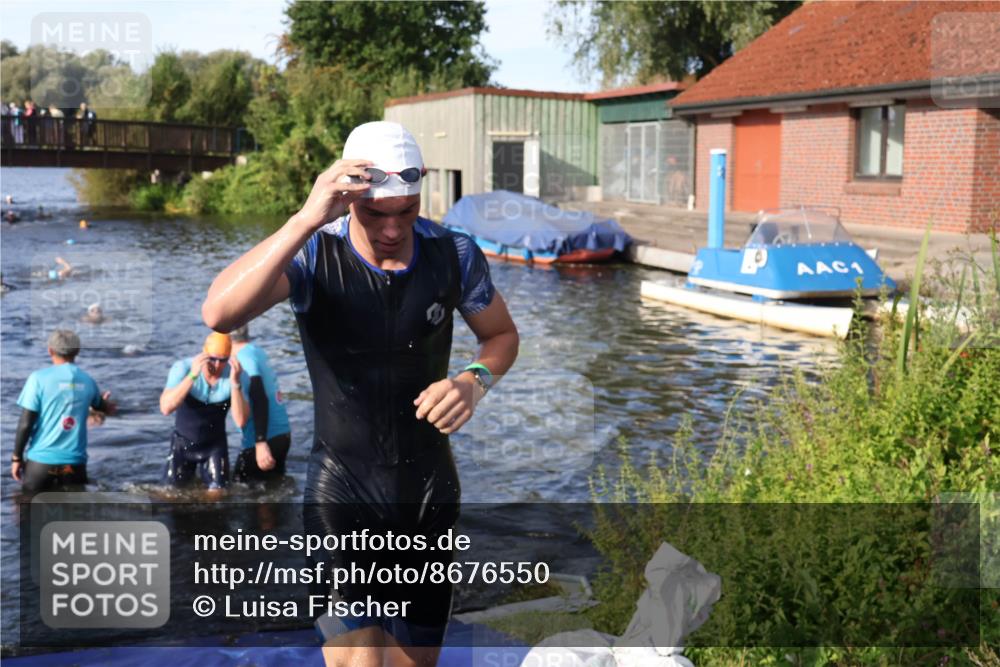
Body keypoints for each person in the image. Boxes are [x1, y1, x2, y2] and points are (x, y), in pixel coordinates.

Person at [202, 121, 519, 667]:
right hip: (343, 491)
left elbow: (501, 337)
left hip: (428, 491)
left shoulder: (454, 253)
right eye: (375, 213)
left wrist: (474, 381)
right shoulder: (313, 254)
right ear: (347, 199)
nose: (393, 229)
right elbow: (219, 312)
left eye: (407, 211)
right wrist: (306, 217)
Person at [11, 329, 116, 494]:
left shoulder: (38, 378)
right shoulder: (87, 380)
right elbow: (102, 406)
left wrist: (16, 458)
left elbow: (26, 423)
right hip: (74, 465)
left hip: (41, 465)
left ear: (50, 350)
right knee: (73, 510)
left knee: (27, 508)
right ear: (77, 351)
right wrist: (105, 403)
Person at [159, 332, 247, 496]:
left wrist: (235, 383)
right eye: (212, 358)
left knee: (217, 497)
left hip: (214, 447)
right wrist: (192, 376)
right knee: (170, 497)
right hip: (183, 445)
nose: (217, 365)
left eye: (223, 360)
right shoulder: (183, 368)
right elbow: (166, 408)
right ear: (203, 353)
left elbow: (241, 421)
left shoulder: (235, 374)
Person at [229, 324, 292, 484]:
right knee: (275, 487)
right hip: (282, 434)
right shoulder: (256, 351)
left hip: (263, 440)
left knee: (240, 489)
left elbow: (259, 396)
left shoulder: (243, 358)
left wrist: (260, 442)